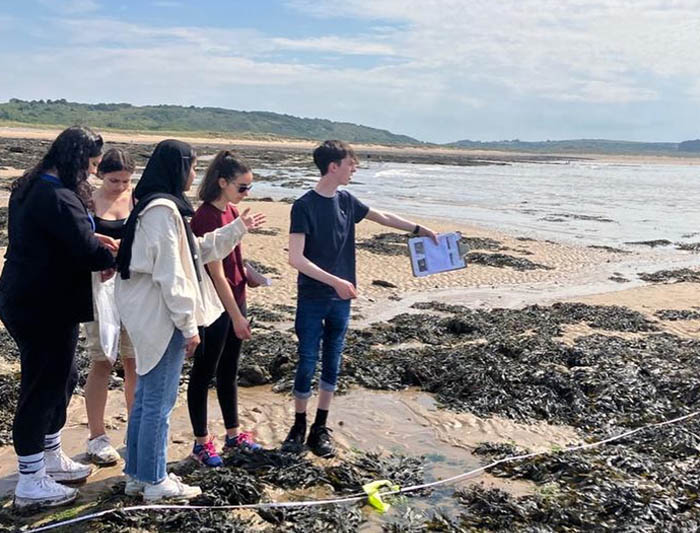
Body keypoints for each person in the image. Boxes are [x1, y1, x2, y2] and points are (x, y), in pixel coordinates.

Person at [115, 140, 265, 501]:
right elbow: (173, 275)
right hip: (159, 316)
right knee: (158, 402)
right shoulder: (162, 210)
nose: (195, 174)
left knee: (148, 398)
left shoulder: (158, 205)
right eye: (192, 166)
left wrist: (237, 228)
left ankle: (137, 474)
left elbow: (195, 251)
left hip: (149, 313)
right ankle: (154, 480)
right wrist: (188, 325)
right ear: (177, 167)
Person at [281, 140, 438, 457]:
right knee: (307, 361)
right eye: (350, 164)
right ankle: (298, 425)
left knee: (333, 361)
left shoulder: (346, 201)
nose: (355, 169)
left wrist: (419, 229)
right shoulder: (304, 206)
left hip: (342, 299)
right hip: (313, 297)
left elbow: (383, 216)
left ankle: (320, 427)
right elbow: (296, 259)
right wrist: (336, 281)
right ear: (333, 167)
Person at [0, 126, 117, 509]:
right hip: (42, 304)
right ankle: (30, 480)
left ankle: (50, 454)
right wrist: (111, 256)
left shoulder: (34, 185)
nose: (92, 173)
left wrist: (92, 242)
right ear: (75, 160)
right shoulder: (57, 195)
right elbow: (82, 248)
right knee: (42, 385)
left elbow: (56, 238)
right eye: (92, 165)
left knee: (63, 377)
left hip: (29, 297)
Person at [187, 150, 265, 468]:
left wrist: (249, 274)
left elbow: (233, 259)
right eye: (242, 187)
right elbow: (216, 273)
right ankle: (201, 442)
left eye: (249, 187)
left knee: (229, 370)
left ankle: (233, 435)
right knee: (204, 372)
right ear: (222, 182)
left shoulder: (232, 211)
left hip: (236, 296)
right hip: (214, 306)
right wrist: (236, 317)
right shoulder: (205, 217)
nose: (246, 193)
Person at [83, 148, 138, 466]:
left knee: (134, 361)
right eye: (114, 180)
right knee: (102, 359)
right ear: (101, 175)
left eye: (125, 181)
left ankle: (135, 430)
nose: (120, 187)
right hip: (98, 288)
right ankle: (97, 435)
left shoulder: (137, 200)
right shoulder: (88, 201)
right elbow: (77, 238)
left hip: (132, 287)